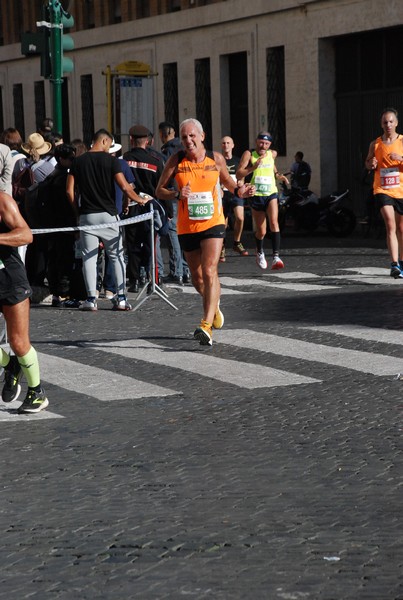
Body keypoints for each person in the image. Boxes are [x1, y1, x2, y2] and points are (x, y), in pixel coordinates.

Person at [155, 117, 255, 347]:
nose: (188, 140)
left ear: (202, 136)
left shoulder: (215, 158)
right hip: (187, 226)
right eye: (184, 137)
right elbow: (159, 190)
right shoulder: (176, 160)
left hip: (213, 223)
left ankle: (206, 325)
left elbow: (230, 185)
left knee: (210, 270)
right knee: (197, 278)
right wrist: (178, 194)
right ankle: (214, 306)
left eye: (192, 136)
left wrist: (242, 191)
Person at [66, 128, 147, 311]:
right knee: (116, 255)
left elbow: (69, 191)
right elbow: (125, 187)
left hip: (87, 215)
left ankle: (91, 299)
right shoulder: (112, 162)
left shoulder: (77, 162)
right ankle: (121, 298)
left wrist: (77, 212)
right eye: (109, 145)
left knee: (89, 257)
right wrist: (139, 199)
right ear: (103, 141)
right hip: (109, 215)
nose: (110, 149)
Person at [0, 191, 48, 413]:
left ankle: (37, 393)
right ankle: (10, 366)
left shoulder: (2, 200)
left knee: (18, 342)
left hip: (10, 280)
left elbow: (26, 235)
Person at [237, 131, 289, 270]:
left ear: (269, 145)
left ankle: (276, 257)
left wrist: (278, 175)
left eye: (266, 144)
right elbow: (238, 173)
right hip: (256, 195)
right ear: (256, 141)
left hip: (271, 193)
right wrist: (253, 167)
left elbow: (272, 166)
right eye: (261, 142)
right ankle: (260, 252)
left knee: (274, 222)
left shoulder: (272, 154)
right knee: (262, 231)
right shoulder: (249, 154)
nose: (263, 146)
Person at [123, 125, 165, 292]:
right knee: (150, 243)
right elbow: (161, 187)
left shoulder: (124, 159)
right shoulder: (155, 161)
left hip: (131, 206)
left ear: (131, 139)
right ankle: (149, 277)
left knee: (132, 244)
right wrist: (166, 211)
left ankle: (133, 280)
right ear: (147, 141)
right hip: (149, 207)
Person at [365, 107, 403, 279]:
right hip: (382, 188)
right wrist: (371, 163)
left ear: (396, 123)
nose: (388, 124)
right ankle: (394, 264)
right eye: (384, 122)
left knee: (401, 229)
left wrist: (401, 159)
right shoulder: (375, 144)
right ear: (381, 124)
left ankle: (401, 262)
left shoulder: (402, 141)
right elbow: (368, 163)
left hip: (401, 190)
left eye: (390, 121)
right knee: (390, 224)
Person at [158, 121, 188, 284]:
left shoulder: (168, 152)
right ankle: (185, 269)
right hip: (185, 193)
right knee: (181, 233)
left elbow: (167, 178)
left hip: (174, 195)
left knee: (172, 233)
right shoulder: (183, 148)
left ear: (163, 134)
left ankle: (178, 271)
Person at [220, 135, 247, 261]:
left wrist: (241, 182)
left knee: (240, 218)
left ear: (233, 145)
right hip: (223, 194)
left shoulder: (237, 161)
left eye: (228, 143)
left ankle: (237, 242)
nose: (226, 145)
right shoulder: (219, 161)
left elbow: (242, 175)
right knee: (223, 224)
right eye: (224, 143)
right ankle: (222, 247)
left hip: (235, 193)